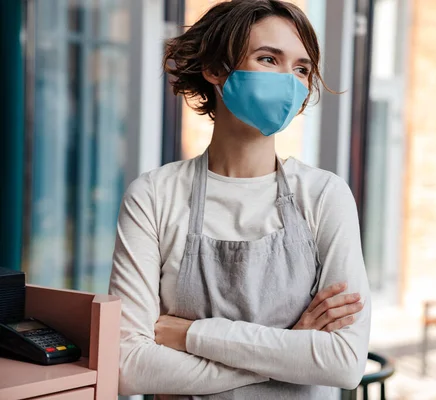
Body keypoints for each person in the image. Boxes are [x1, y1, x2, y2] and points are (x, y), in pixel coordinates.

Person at [108, 1, 371, 398]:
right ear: (215, 69)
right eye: (269, 59)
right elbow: (126, 367)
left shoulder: (324, 196)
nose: (289, 80)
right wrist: (290, 351)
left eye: (300, 69)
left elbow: (345, 361)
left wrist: (192, 334)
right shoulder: (154, 196)